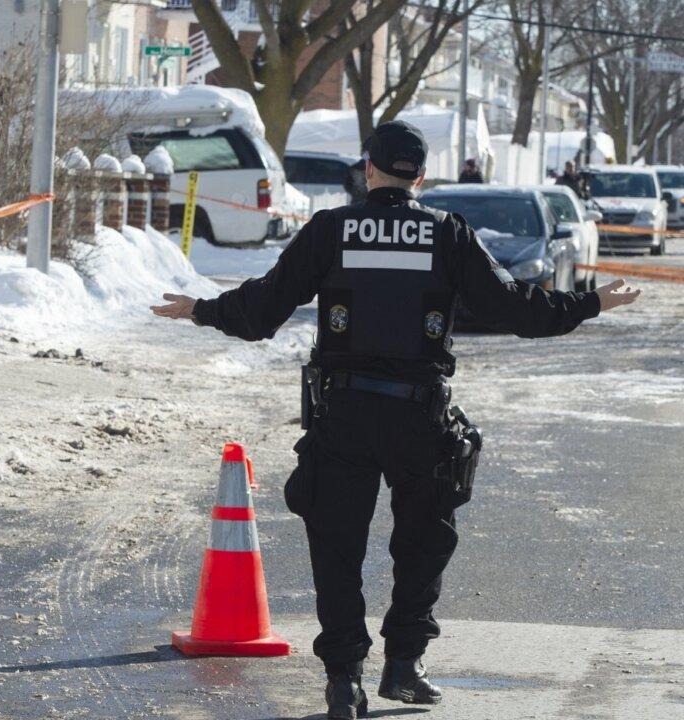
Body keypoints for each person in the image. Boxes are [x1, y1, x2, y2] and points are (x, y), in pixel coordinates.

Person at [151, 121, 639, 719]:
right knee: (423, 541)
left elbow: (263, 308)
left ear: (368, 169)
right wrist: (589, 302)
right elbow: (514, 308)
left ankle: (342, 680)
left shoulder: (333, 228)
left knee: (336, 547)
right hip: (419, 417)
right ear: (421, 177)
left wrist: (202, 310)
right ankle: (404, 666)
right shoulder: (447, 233)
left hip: (345, 413)